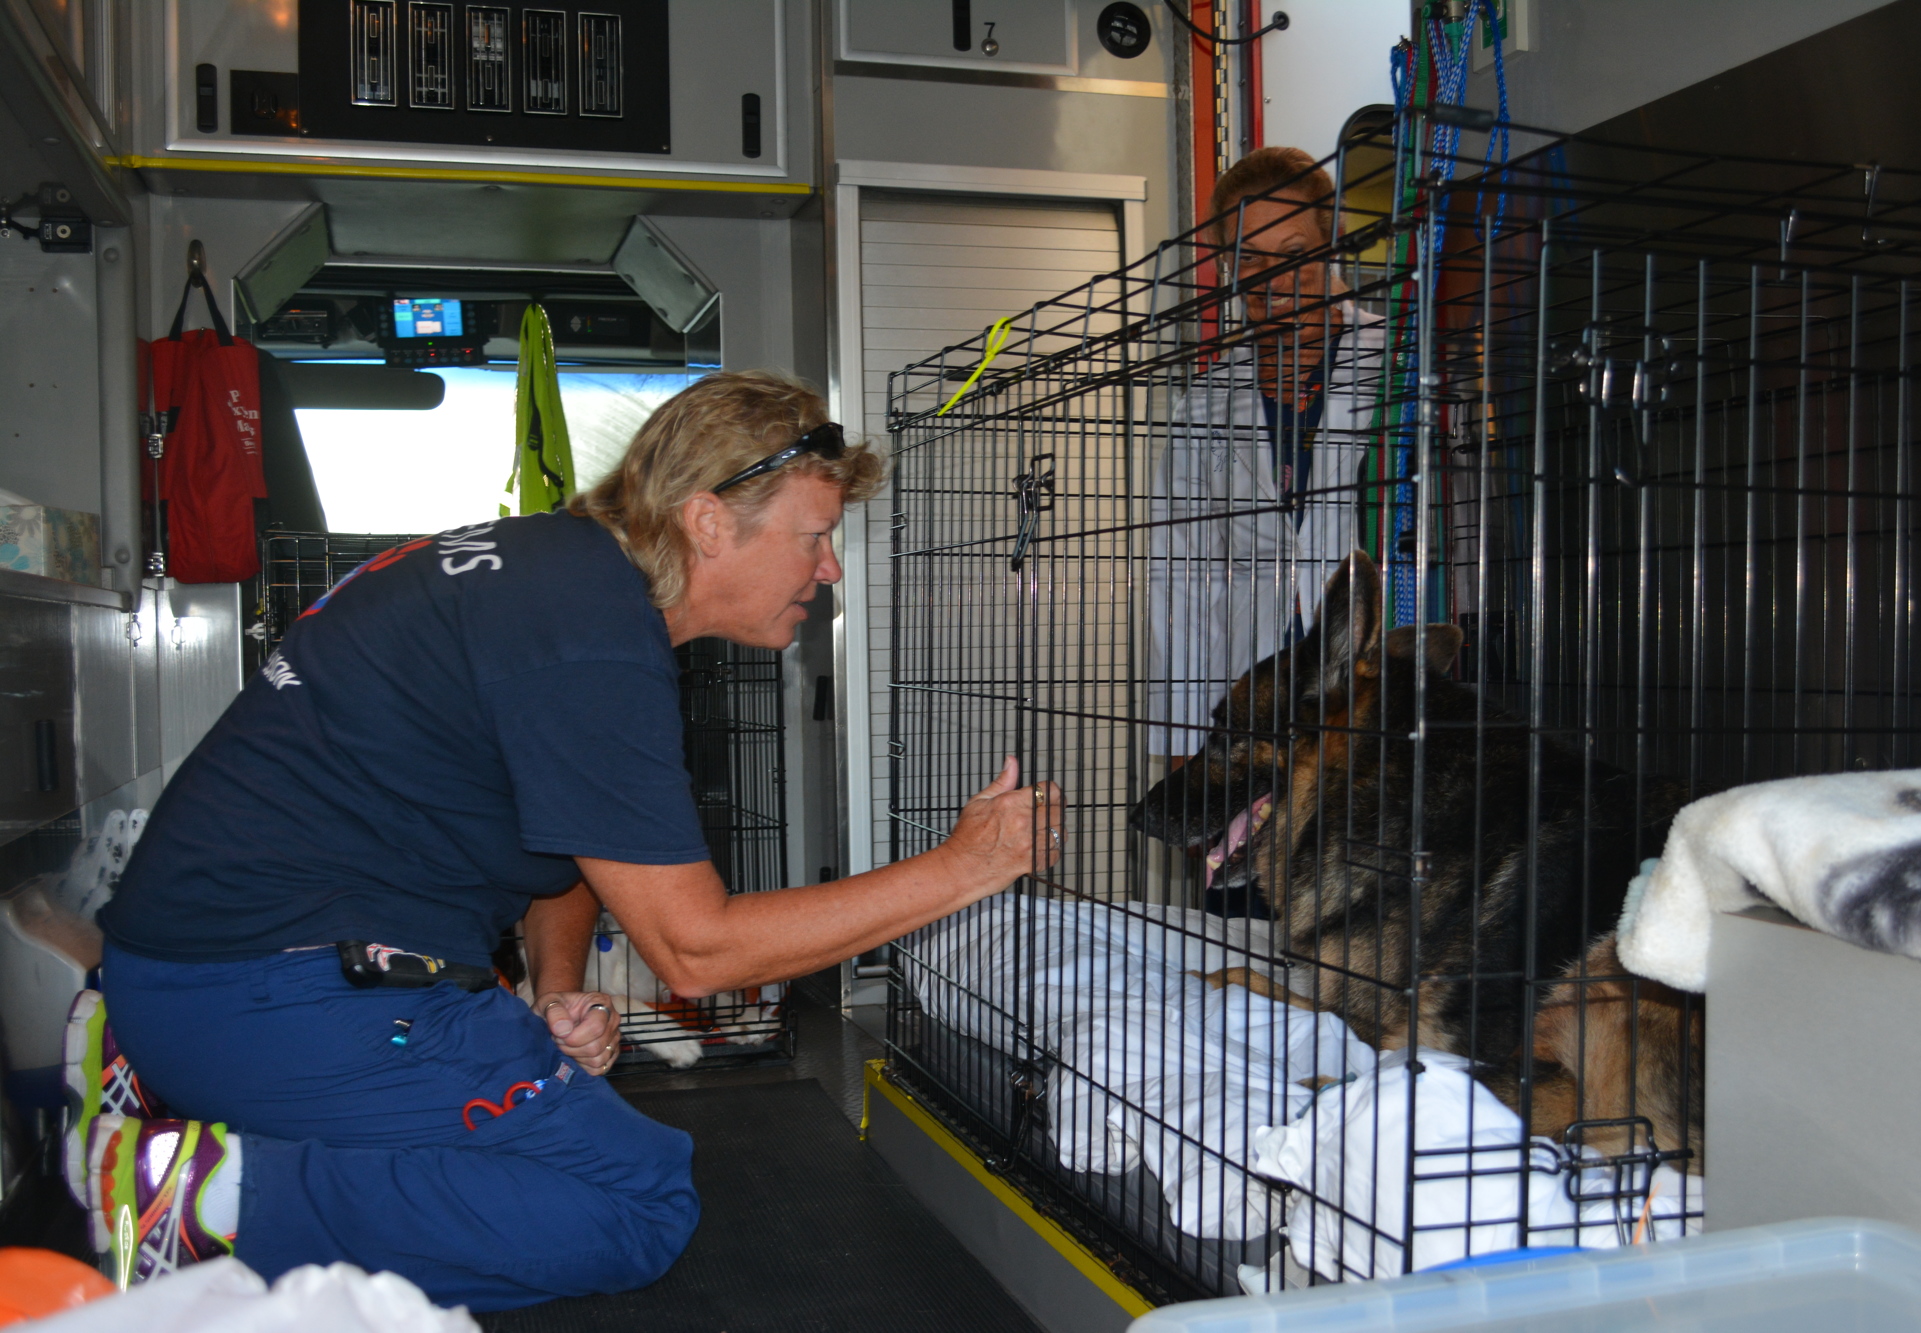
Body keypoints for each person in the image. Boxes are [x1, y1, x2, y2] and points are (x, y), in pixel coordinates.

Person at [74, 371, 1063, 1311]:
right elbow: (694, 948)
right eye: (814, 535)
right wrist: (961, 868)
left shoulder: (563, 579)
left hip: (214, 971)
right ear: (709, 519)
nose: (829, 566)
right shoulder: (587, 631)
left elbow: (571, 855)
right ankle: (195, 1196)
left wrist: (554, 984)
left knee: (555, 1163)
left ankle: (186, 1097)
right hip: (266, 985)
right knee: (639, 1203)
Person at [1148, 146, 1385, 788]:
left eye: (1291, 252)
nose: (1271, 278)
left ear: (1331, 241)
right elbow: (1180, 573)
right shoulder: (1207, 397)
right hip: (1252, 705)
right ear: (1224, 263)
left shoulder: (1391, 361)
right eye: (1247, 256)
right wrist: (1186, 743)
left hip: (1372, 695)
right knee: (1245, 880)